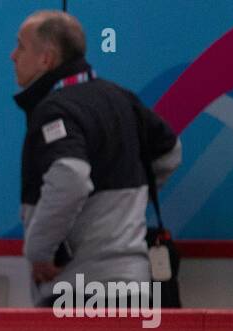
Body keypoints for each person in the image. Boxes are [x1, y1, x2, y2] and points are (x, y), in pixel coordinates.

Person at [11, 10, 182, 305]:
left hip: (79, 290)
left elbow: (71, 176)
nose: (13, 56)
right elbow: (169, 153)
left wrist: (39, 253)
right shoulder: (121, 98)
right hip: (135, 285)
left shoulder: (56, 109)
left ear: (46, 59)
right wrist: (128, 207)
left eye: (21, 46)